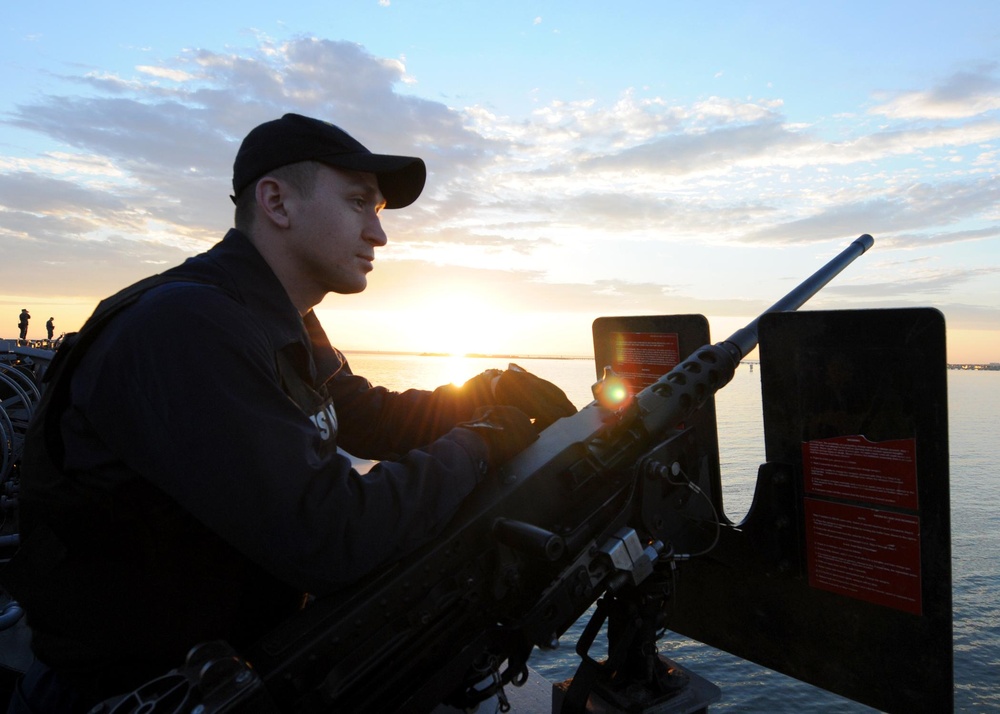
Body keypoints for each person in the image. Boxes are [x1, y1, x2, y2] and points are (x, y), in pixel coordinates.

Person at [2, 113, 576, 713]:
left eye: (377, 211)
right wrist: (481, 444)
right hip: (135, 694)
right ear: (277, 202)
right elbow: (330, 535)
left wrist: (485, 393)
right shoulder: (187, 327)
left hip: (230, 668)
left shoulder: (281, 315)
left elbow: (362, 414)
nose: (378, 236)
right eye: (359, 203)